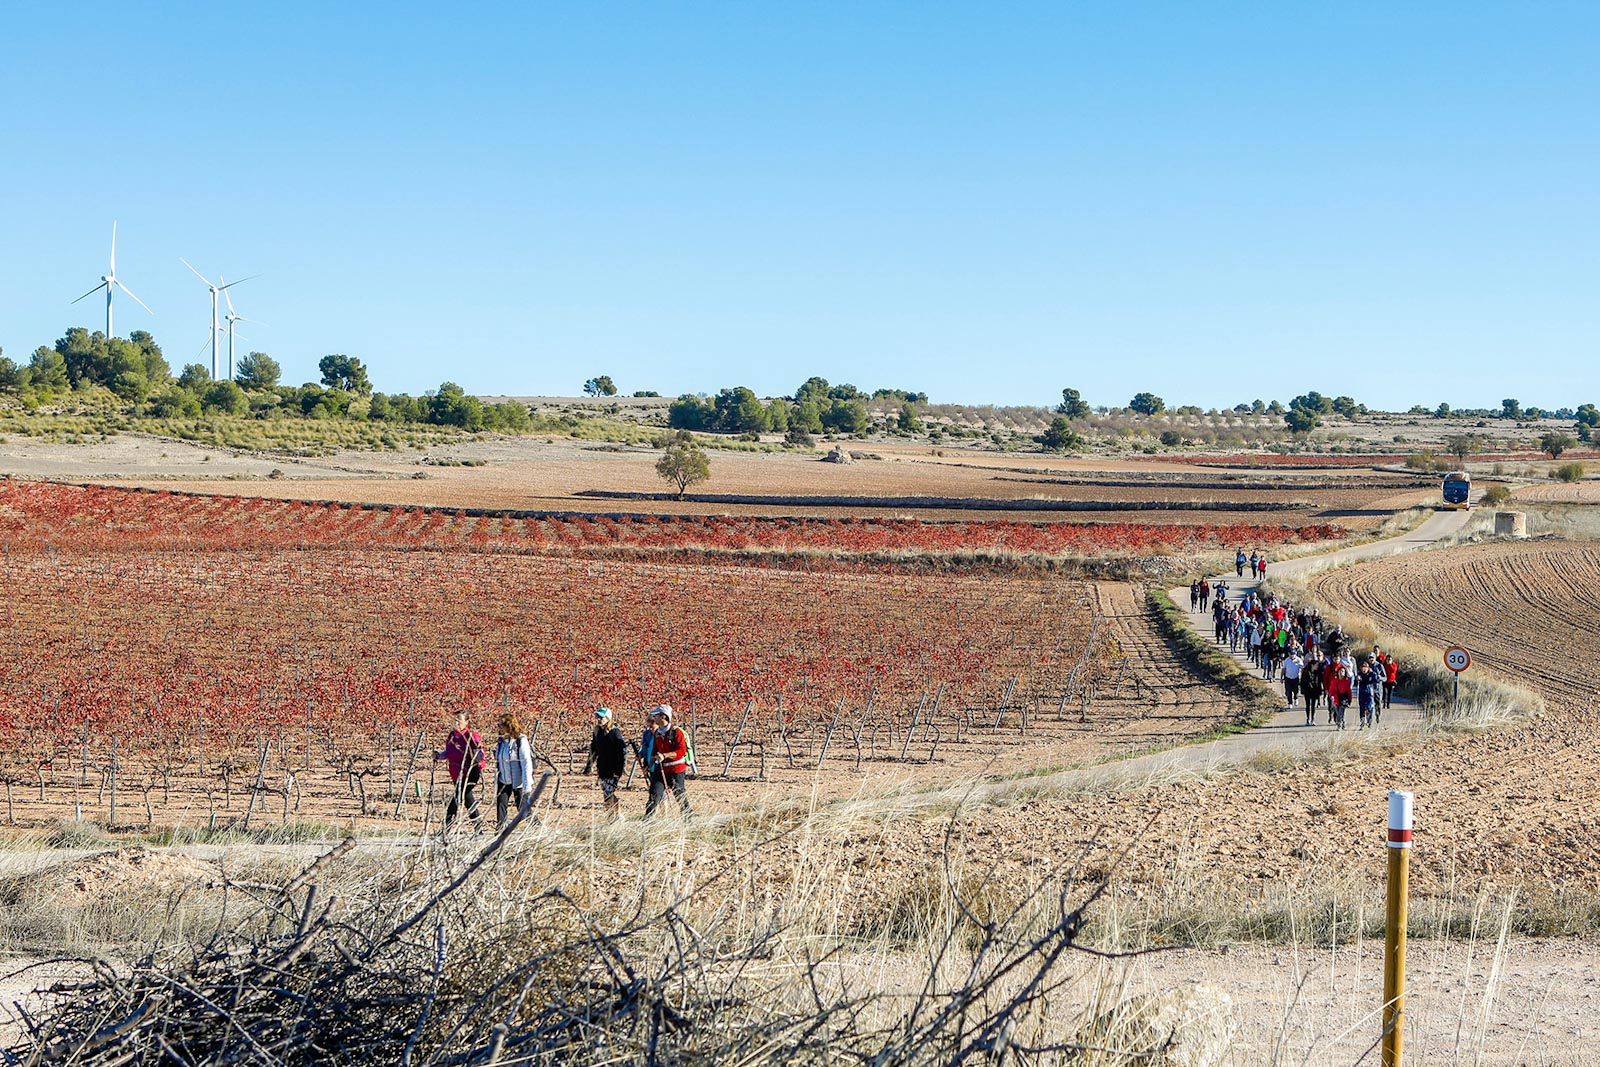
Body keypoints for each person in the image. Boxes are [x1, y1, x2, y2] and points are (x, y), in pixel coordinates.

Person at [434, 711, 486, 831]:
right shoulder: (452, 736)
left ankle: (446, 830)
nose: (456, 723)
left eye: (459, 720)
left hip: (469, 774)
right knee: (468, 800)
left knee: (455, 801)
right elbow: (448, 752)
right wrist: (439, 756)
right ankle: (478, 829)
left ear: (466, 722)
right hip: (455, 773)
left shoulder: (471, 736)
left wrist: (478, 757)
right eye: (454, 720)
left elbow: (479, 753)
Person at [642, 704, 692, 818]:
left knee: (679, 795)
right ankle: (647, 821)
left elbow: (681, 750)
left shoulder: (676, 732)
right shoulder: (658, 732)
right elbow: (655, 750)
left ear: (663, 717)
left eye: (656, 716)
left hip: (676, 770)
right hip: (661, 769)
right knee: (654, 796)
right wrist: (649, 765)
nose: (654, 718)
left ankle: (688, 818)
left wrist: (665, 755)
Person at [583, 706, 630, 818]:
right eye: (598, 717)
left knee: (609, 792)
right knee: (606, 792)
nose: (599, 719)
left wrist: (619, 769)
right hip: (602, 767)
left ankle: (615, 814)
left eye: (602, 717)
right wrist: (589, 766)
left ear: (608, 718)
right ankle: (612, 815)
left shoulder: (614, 732)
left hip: (613, 767)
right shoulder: (597, 732)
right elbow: (593, 749)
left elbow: (622, 752)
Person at [491, 712, 534, 829]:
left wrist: (526, 785)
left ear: (509, 726)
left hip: (517, 781)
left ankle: (537, 827)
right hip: (503, 780)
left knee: (522, 808)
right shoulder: (501, 742)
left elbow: (526, 763)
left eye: (501, 725)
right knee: (501, 805)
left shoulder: (520, 740)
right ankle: (500, 832)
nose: (499, 727)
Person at [1300, 652, 1324, 725]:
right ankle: (1308, 719)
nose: (1317, 666)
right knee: (1308, 705)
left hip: (1315, 690)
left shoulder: (1318, 673)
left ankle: (1313, 719)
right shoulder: (1306, 672)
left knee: (1313, 705)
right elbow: (1302, 682)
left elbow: (1320, 682)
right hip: (1307, 690)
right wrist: (1303, 690)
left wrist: (1320, 691)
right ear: (1312, 665)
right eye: (1316, 665)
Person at [1357, 660, 1382, 729]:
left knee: (1370, 707)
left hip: (1369, 693)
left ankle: (1369, 720)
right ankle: (1362, 722)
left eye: (1365, 668)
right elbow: (1357, 680)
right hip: (1362, 694)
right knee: (1362, 708)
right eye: (1362, 668)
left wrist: (1373, 673)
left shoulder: (1371, 674)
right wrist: (1358, 679)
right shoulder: (1359, 674)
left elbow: (1376, 680)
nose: (1364, 670)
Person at [1326, 664, 1352, 730]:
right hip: (1336, 698)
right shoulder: (1334, 681)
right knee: (1337, 712)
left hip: (1344, 699)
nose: (1341, 673)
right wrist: (1331, 696)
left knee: (1341, 711)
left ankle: (1339, 725)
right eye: (1340, 671)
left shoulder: (1346, 681)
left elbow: (1349, 691)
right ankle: (1342, 722)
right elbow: (1331, 690)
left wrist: (1349, 700)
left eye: (1343, 671)